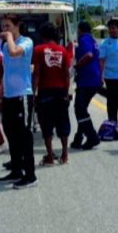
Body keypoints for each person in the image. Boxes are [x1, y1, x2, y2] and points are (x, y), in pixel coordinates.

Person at [0, 13, 37, 188]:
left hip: (22, 95)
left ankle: (30, 175)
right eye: (3, 27)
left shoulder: (26, 42)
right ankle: (16, 169)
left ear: (17, 26)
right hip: (9, 95)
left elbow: (15, 53)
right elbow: (6, 69)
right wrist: (0, 93)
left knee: (24, 136)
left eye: (8, 26)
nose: (5, 30)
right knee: (10, 132)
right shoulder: (6, 45)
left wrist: (8, 37)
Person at [32, 22, 72, 166]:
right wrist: (66, 92)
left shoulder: (38, 50)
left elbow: (37, 73)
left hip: (45, 92)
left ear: (42, 35)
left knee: (46, 124)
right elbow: (66, 74)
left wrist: (33, 92)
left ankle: (50, 156)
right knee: (63, 122)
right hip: (61, 91)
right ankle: (65, 155)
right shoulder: (63, 50)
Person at [71, 20, 102, 150]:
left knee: (79, 109)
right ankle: (78, 138)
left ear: (79, 30)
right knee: (82, 109)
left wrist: (76, 66)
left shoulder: (83, 40)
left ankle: (92, 136)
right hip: (94, 79)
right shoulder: (93, 41)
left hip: (87, 80)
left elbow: (88, 55)